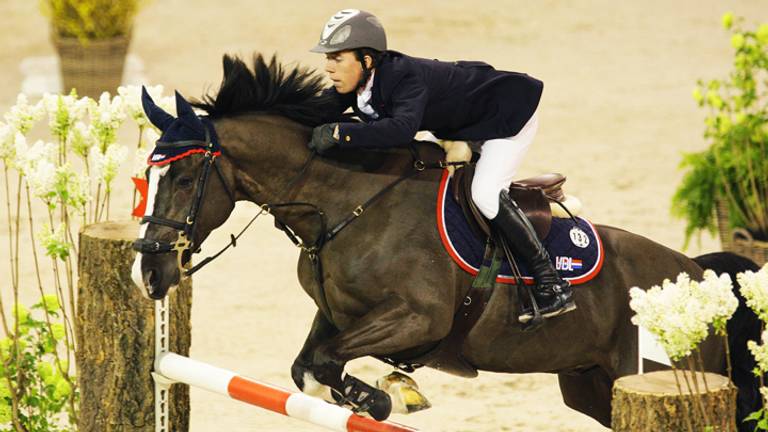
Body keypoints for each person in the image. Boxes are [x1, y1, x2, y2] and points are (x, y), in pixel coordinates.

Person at [308, 9, 575, 322]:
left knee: (486, 194)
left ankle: (551, 284)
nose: (328, 68)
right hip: (464, 122)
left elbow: (401, 129)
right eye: (328, 58)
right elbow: (317, 110)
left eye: (337, 58)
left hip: (506, 116)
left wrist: (341, 132)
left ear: (367, 59)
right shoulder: (357, 83)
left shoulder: (403, 76)